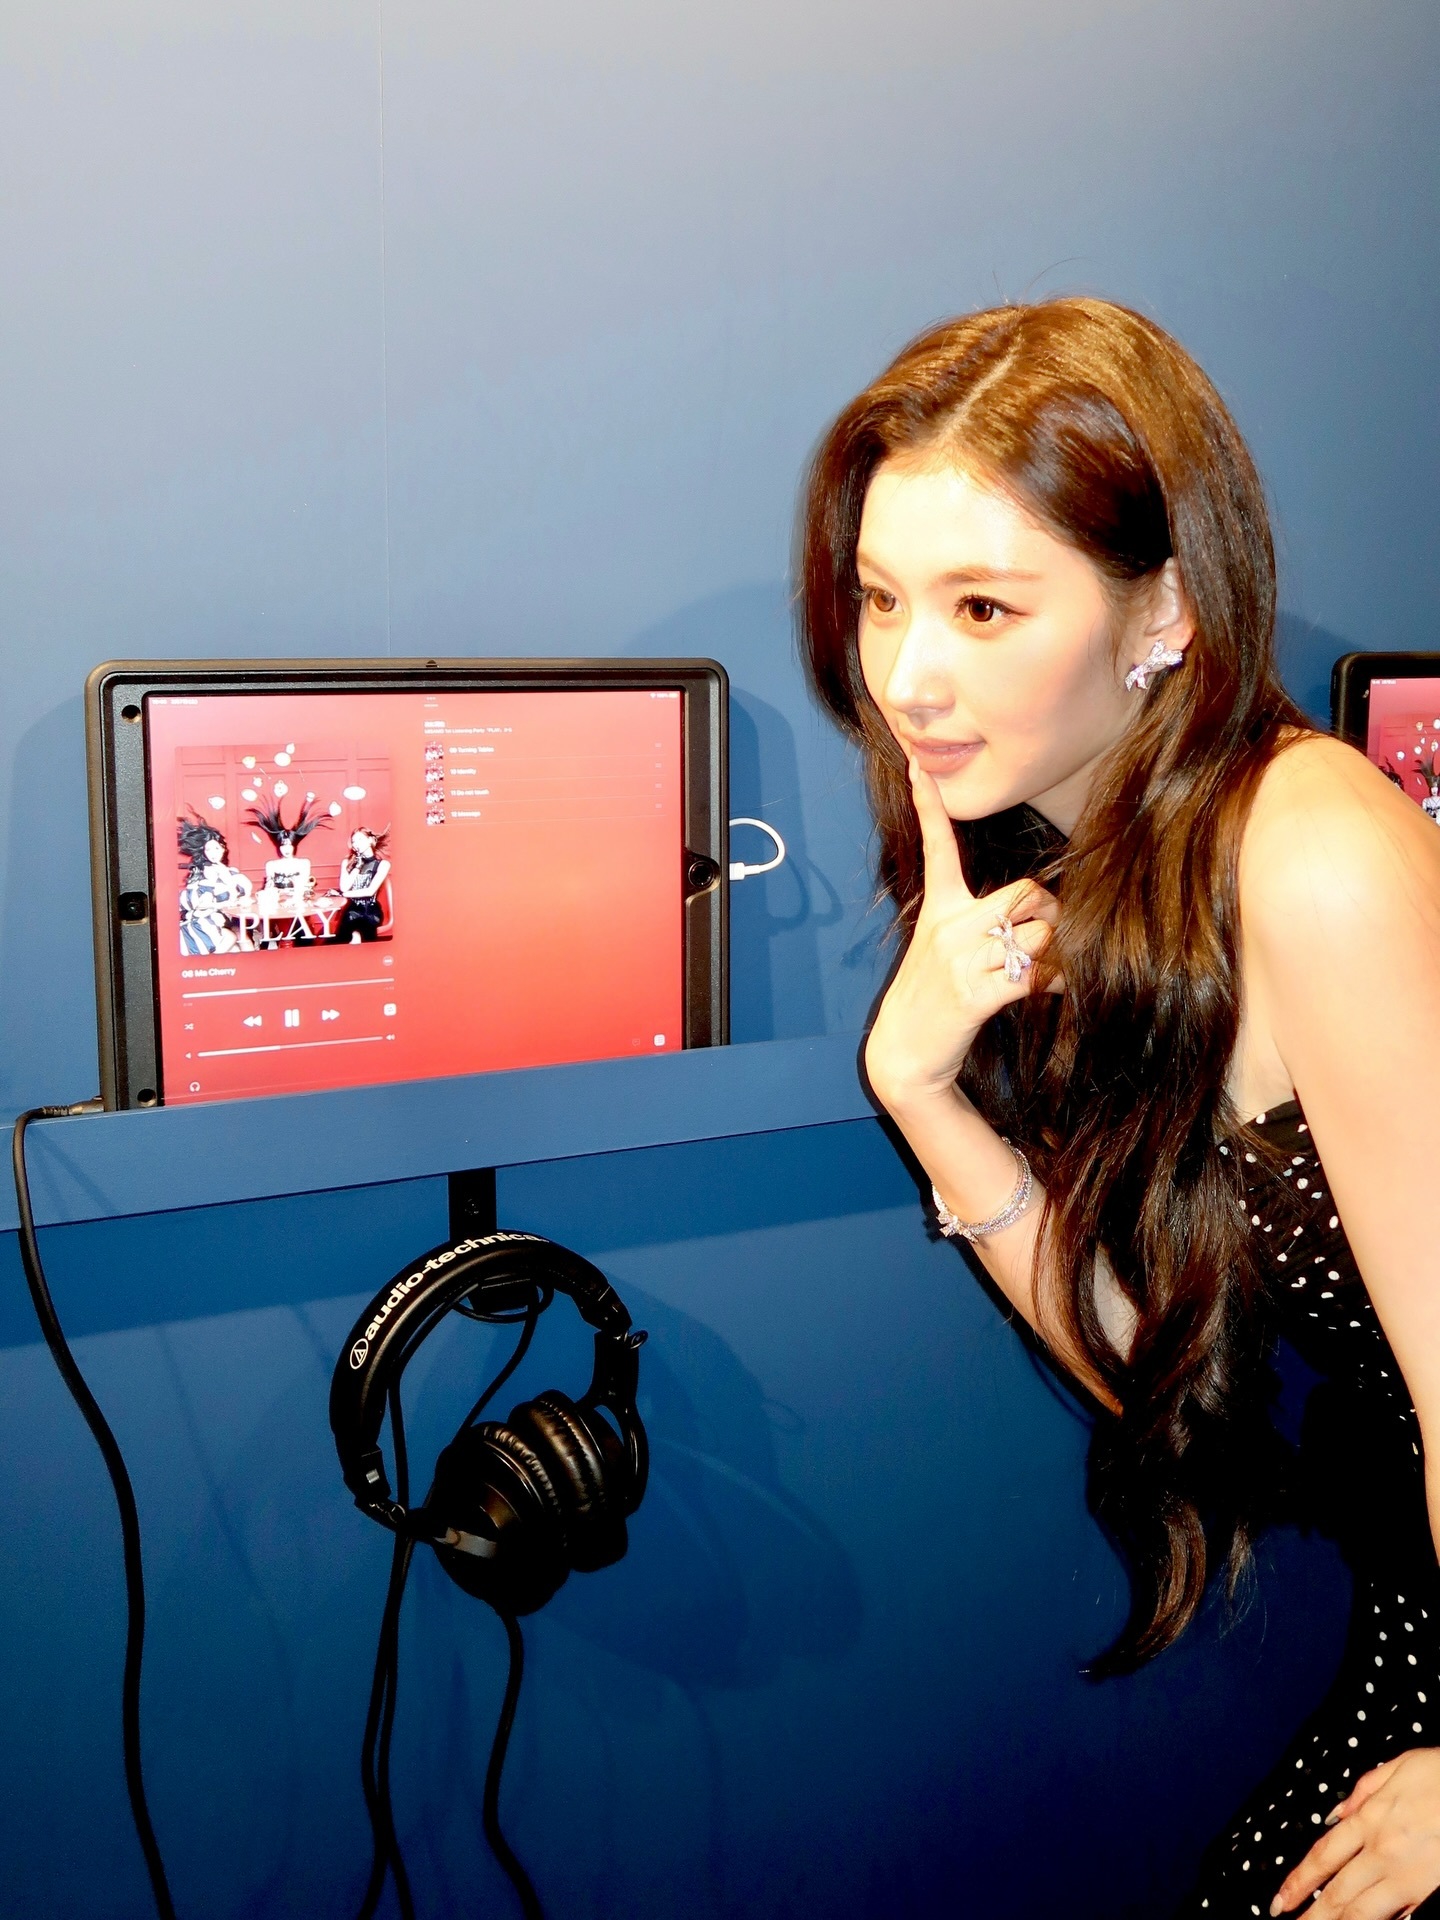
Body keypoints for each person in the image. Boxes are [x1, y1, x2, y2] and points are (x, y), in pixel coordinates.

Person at [798, 297, 1440, 1919]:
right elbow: (1163, 1381)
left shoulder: (1314, 852)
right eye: (881, 600)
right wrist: (919, 1091)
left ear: (1162, 608)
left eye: (983, 609)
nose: (908, 678)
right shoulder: (1093, 871)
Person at [176, 815, 252, 955]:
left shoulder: (231, 873)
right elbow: (200, 904)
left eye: (216, 848)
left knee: (240, 940)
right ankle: (205, 962)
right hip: (203, 922)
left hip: (223, 920)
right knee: (232, 938)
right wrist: (222, 905)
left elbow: (243, 892)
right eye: (208, 850)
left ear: (223, 849)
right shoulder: (204, 875)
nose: (213, 854)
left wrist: (244, 898)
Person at [333, 827, 391, 943]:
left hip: (370, 910)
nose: (356, 843)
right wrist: (357, 867)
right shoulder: (347, 862)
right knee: (348, 931)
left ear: (370, 840)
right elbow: (344, 887)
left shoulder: (383, 864)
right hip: (352, 909)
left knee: (358, 932)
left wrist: (344, 894)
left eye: (360, 839)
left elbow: (370, 891)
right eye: (354, 841)